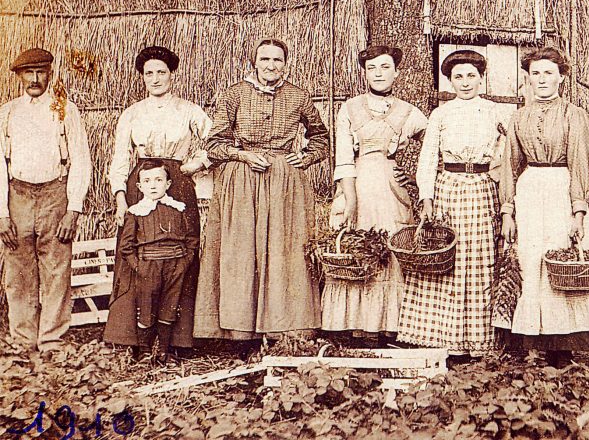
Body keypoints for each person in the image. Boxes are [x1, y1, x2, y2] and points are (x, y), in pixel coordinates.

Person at [194, 39, 329, 339]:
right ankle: (239, 333)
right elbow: (214, 144)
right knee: (240, 253)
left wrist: (306, 157)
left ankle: (285, 328)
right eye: (264, 59)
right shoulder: (234, 95)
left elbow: (322, 139)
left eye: (277, 60)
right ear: (253, 63)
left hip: (284, 182)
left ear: (286, 63)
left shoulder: (299, 97)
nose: (271, 65)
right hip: (242, 180)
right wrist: (241, 155)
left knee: (285, 251)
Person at [494, 47, 589, 367]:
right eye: (535, 73)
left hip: (561, 193)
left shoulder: (574, 114)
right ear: (527, 79)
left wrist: (578, 211)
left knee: (562, 260)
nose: (542, 79)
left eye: (548, 73)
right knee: (531, 263)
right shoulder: (518, 117)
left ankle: (563, 347)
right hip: (529, 194)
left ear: (561, 78)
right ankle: (532, 342)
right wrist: (507, 212)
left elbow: (581, 163)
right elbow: (509, 167)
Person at [103, 46, 211, 353]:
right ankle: (129, 337)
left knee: (181, 255)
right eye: (149, 73)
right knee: (137, 253)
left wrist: (196, 163)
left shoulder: (189, 110)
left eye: (161, 72)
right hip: (142, 183)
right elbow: (120, 159)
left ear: (172, 74)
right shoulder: (132, 114)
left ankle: (178, 339)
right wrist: (121, 197)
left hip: (177, 183)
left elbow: (218, 142)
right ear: (142, 77)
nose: (155, 78)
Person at [397, 49, 504, 356]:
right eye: (458, 77)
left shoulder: (495, 112)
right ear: (450, 81)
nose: (466, 82)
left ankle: (479, 340)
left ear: (482, 79)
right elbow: (428, 157)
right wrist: (427, 197)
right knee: (448, 260)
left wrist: (499, 177)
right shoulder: (441, 114)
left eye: (472, 76)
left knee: (479, 261)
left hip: (483, 191)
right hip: (448, 192)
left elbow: (509, 152)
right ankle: (445, 339)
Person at [322, 45, 428, 343]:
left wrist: (415, 179)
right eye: (372, 68)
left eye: (385, 67)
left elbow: (434, 147)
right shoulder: (351, 108)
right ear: (364, 73)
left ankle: (391, 327)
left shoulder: (409, 112)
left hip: (392, 188)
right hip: (356, 183)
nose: (379, 74)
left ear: (396, 72)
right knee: (358, 245)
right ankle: (355, 326)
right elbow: (342, 156)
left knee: (392, 248)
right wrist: (349, 199)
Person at [0, 48, 92, 353]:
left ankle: (53, 341)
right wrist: (2, 213)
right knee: (18, 271)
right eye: (29, 73)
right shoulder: (8, 113)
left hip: (55, 195)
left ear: (50, 74)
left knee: (56, 270)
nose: (35, 79)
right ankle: (23, 341)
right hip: (18, 197)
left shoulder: (66, 110)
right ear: (19, 76)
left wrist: (73, 209)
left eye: (41, 72)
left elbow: (80, 159)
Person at [116, 160, 199, 363]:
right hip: (148, 266)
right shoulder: (136, 213)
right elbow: (126, 246)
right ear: (139, 186)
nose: (153, 185)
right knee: (146, 307)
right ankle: (145, 352)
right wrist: (140, 267)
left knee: (170, 307)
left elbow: (191, 240)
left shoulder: (179, 209)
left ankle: (163, 351)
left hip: (175, 265)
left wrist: (184, 263)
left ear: (168, 184)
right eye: (147, 181)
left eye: (158, 180)